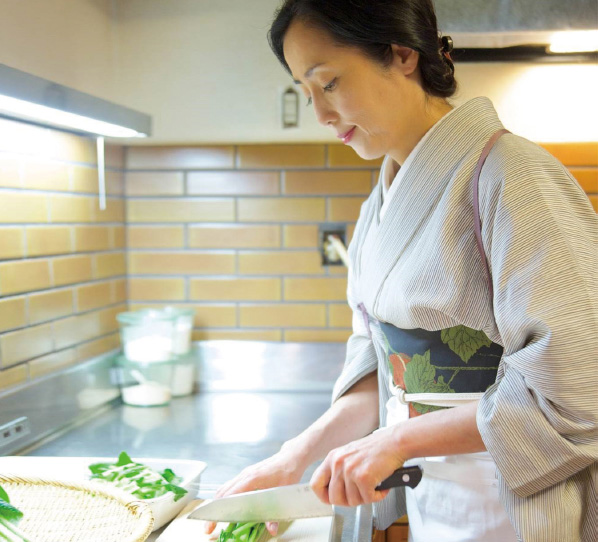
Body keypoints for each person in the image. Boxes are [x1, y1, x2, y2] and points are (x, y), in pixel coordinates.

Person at [205, 1, 598, 541]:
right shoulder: (377, 207)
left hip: (519, 505)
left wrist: (400, 441)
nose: (320, 113)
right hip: (439, 501)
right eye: (306, 90)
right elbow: (377, 369)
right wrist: (291, 459)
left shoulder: (515, 176)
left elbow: (578, 386)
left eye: (330, 82)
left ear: (401, 54)